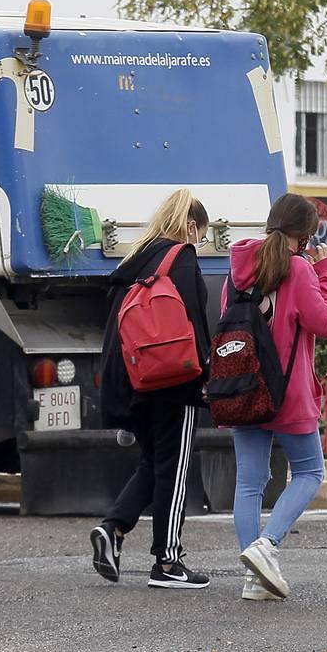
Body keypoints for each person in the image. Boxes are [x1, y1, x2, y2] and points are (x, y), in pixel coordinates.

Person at [89, 189, 213, 590]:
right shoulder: (182, 258)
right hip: (176, 381)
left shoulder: (136, 260)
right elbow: (194, 321)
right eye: (202, 234)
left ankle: (113, 529)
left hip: (137, 380)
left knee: (154, 464)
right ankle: (168, 561)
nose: (202, 242)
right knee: (174, 472)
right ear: (191, 226)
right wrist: (207, 376)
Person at [224, 193, 327, 600]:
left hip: (243, 389)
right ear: (305, 236)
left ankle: (253, 579)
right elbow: (325, 323)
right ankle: (267, 545)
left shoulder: (239, 269)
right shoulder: (299, 269)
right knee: (310, 472)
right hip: (288, 394)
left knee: (249, 483)